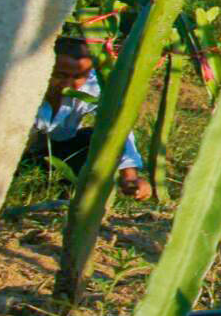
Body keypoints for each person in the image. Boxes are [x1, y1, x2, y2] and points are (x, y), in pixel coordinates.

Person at [25, 37, 154, 200]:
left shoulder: (93, 87)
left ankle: (66, 194)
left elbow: (116, 126)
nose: (68, 83)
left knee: (95, 139)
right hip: (14, 153)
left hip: (58, 151)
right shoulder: (21, 86)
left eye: (78, 76)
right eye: (60, 75)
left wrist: (130, 175)